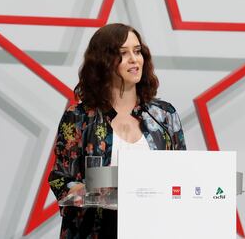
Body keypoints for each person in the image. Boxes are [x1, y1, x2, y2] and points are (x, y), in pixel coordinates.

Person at [48, 23, 186, 238]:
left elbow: (182, 174)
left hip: (153, 228)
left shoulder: (164, 115)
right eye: (123, 53)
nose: (134, 59)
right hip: (96, 230)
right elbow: (59, 177)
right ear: (103, 62)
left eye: (138, 51)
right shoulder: (79, 116)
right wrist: (77, 190)